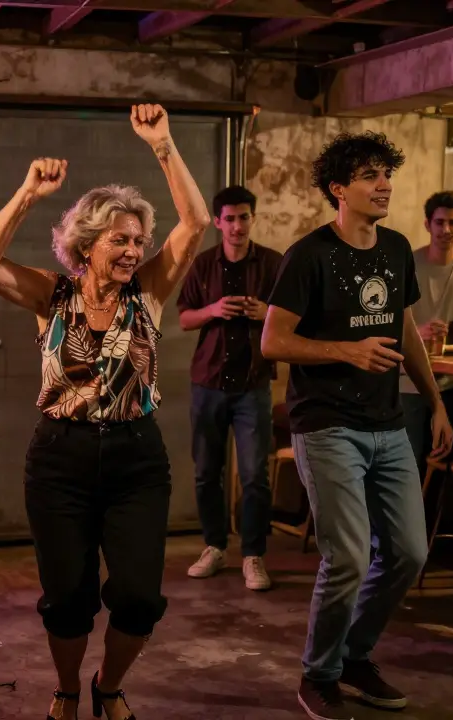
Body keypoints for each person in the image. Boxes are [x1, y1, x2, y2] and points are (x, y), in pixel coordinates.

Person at [0, 105, 208, 720]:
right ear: (87, 243)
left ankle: (109, 685)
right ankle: (69, 688)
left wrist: (163, 145)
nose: (132, 250)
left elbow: (196, 221)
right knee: (68, 597)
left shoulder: (148, 294)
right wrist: (26, 192)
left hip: (136, 458)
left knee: (137, 597)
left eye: (138, 241)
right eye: (119, 240)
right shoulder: (54, 295)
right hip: (60, 458)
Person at [261, 131, 453, 720]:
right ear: (338, 189)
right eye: (369, 176)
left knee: (408, 553)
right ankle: (318, 674)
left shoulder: (395, 248)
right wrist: (347, 351)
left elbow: (402, 328)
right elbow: (273, 341)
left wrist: (435, 403)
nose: (384, 185)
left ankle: (355, 656)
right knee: (346, 555)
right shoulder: (309, 254)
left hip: (388, 424)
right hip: (327, 426)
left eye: (386, 174)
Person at [177, 185, 283, 589]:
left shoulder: (273, 264)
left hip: (253, 383)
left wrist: (265, 313)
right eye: (230, 219)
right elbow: (185, 318)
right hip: (208, 382)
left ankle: (253, 555)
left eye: (244, 217)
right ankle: (214, 547)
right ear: (218, 222)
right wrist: (214, 310)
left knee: (256, 474)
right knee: (207, 471)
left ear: (252, 218)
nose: (237, 226)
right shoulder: (202, 264)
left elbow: (293, 317)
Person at [399, 191, 453, 480]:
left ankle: (433, 523)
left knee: (442, 462)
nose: (446, 230)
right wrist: (416, 333)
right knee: (407, 462)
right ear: (427, 224)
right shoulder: (409, 264)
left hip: (450, 381)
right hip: (407, 379)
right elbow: (386, 320)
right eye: (439, 222)